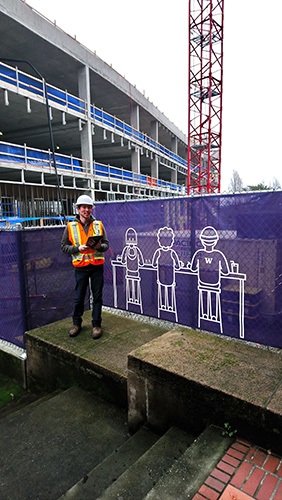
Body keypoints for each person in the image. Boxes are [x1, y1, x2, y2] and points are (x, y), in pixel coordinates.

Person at [61, 194, 109, 339]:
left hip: (96, 267)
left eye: (89, 207)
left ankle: (96, 325)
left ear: (91, 209)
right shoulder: (70, 226)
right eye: (84, 207)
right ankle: (76, 324)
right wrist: (77, 249)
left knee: (97, 297)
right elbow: (64, 247)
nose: (86, 210)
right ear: (78, 209)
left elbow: (106, 245)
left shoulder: (98, 225)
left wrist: (100, 246)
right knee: (79, 297)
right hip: (80, 267)